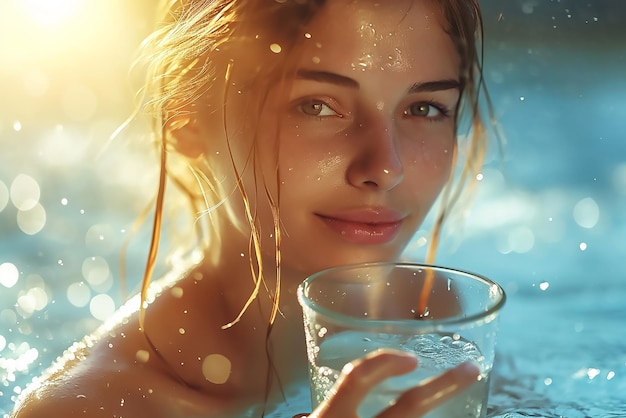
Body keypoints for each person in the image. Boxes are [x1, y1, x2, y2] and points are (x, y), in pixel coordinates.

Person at [11, 0, 491, 416]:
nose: (386, 168)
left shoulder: (440, 328)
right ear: (185, 117)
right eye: (318, 106)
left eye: (424, 108)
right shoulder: (87, 409)